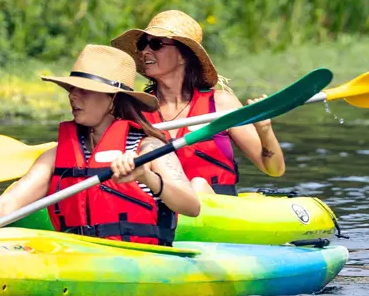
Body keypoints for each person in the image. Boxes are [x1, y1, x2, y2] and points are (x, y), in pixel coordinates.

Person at [0, 45, 200, 242]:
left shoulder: (148, 148)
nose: (73, 96)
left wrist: (145, 177)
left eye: (85, 90)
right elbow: (8, 204)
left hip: (138, 263)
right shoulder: (55, 157)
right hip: (76, 255)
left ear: (113, 99)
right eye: (71, 89)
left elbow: (191, 205)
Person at [112, 10, 284, 195]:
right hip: (165, 203)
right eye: (142, 43)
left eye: (156, 44)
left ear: (183, 56)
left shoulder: (221, 104)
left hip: (217, 203)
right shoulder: (136, 109)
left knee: (199, 184)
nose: (145, 51)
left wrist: (264, 130)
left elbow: (274, 169)